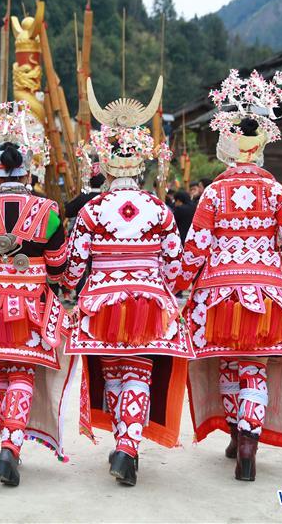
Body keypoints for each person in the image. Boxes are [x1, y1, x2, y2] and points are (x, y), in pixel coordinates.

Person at [174, 70, 282, 482]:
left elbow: (196, 246)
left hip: (220, 294)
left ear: (229, 144)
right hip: (269, 292)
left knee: (228, 365)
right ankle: (249, 441)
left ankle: (238, 435)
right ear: (262, 146)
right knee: (255, 366)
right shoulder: (276, 192)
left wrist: (179, 286)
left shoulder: (213, 194)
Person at [62, 77, 194, 487]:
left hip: (101, 300)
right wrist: (170, 285)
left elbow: (73, 267)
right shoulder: (159, 209)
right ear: (141, 161)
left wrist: (66, 287)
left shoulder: (92, 210)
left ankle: (124, 443)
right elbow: (176, 269)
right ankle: (127, 444)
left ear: (105, 160)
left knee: (116, 371)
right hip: (149, 301)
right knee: (139, 370)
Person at [0, 101, 71, 487]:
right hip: (30, 306)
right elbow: (58, 264)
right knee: (22, 369)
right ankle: (10, 445)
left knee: (4, 369)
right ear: (29, 165)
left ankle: (8, 442)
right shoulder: (47, 210)